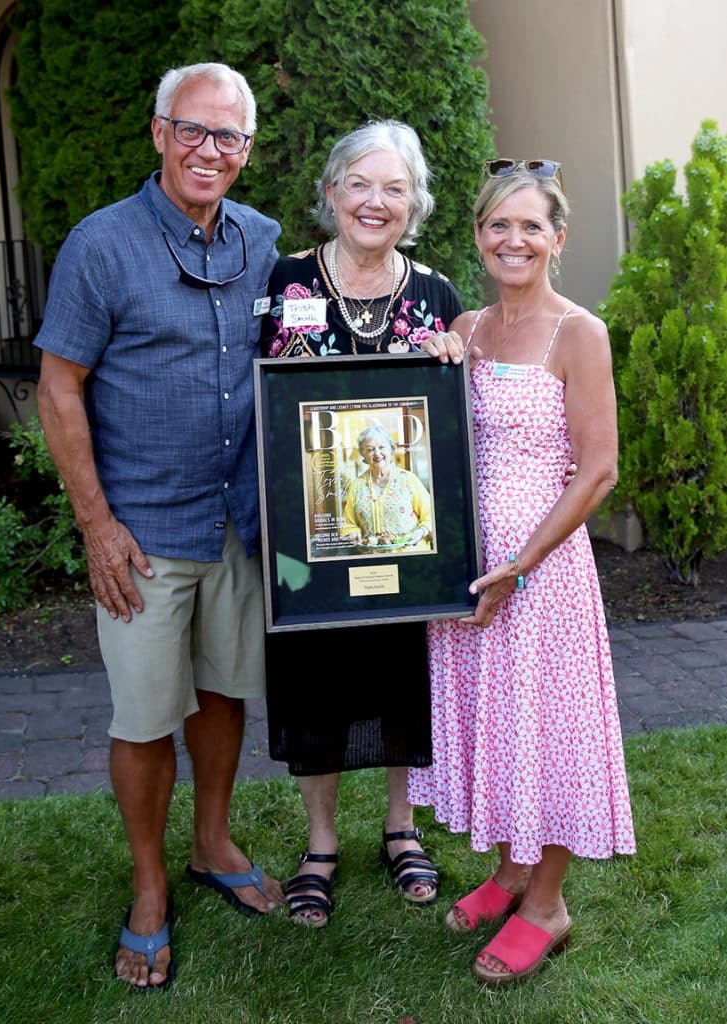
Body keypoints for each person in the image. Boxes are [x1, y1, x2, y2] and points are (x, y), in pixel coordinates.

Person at [34, 62, 283, 991]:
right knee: (145, 718)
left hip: (238, 523)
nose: (208, 150)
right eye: (192, 130)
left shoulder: (262, 242)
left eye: (227, 137)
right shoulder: (100, 245)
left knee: (222, 695)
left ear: (246, 152)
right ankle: (148, 886)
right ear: (157, 133)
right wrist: (96, 525)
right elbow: (60, 387)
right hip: (141, 533)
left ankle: (213, 844)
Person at [408, 159, 636, 985]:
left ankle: (546, 904)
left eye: (530, 225)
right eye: (498, 224)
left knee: (542, 731)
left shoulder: (579, 332)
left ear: (557, 238)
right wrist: (429, 364)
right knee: (494, 726)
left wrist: (520, 564)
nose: (514, 239)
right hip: (465, 578)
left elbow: (597, 471)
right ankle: (507, 872)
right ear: (476, 234)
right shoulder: (465, 327)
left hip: (538, 576)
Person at [262, 120, 466, 927]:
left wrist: (456, 356)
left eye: (393, 188)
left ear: (413, 203)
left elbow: (451, 425)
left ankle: (399, 827)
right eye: (360, 185)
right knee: (314, 681)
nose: (374, 202)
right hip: (308, 542)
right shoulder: (286, 282)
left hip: (406, 545)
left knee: (401, 678)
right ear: (332, 192)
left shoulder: (437, 294)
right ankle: (318, 844)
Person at [340, 425, 433, 551]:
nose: (377, 453)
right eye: (370, 449)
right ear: (364, 454)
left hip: (410, 554)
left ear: (391, 449)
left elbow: (431, 515)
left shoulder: (408, 479)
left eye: (382, 447)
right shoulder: (356, 486)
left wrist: (421, 532)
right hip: (372, 557)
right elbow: (348, 523)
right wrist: (353, 533)